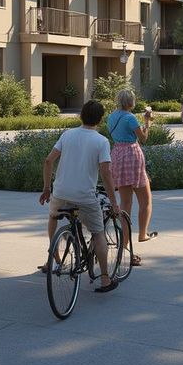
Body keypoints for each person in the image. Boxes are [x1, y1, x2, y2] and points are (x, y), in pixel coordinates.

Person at [39, 100, 121, 292]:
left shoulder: (67, 135)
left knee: (53, 217)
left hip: (60, 192)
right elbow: (106, 173)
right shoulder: (101, 141)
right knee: (98, 233)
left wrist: (46, 188)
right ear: (101, 119)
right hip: (84, 196)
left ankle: (54, 258)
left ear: (81, 115)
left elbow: (48, 160)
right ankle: (105, 279)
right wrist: (114, 202)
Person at [107, 89, 157, 258]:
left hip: (117, 155)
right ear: (131, 102)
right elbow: (143, 138)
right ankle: (142, 234)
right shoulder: (130, 118)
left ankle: (124, 245)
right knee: (145, 200)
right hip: (132, 156)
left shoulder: (111, 117)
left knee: (125, 204)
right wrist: (147, 122)